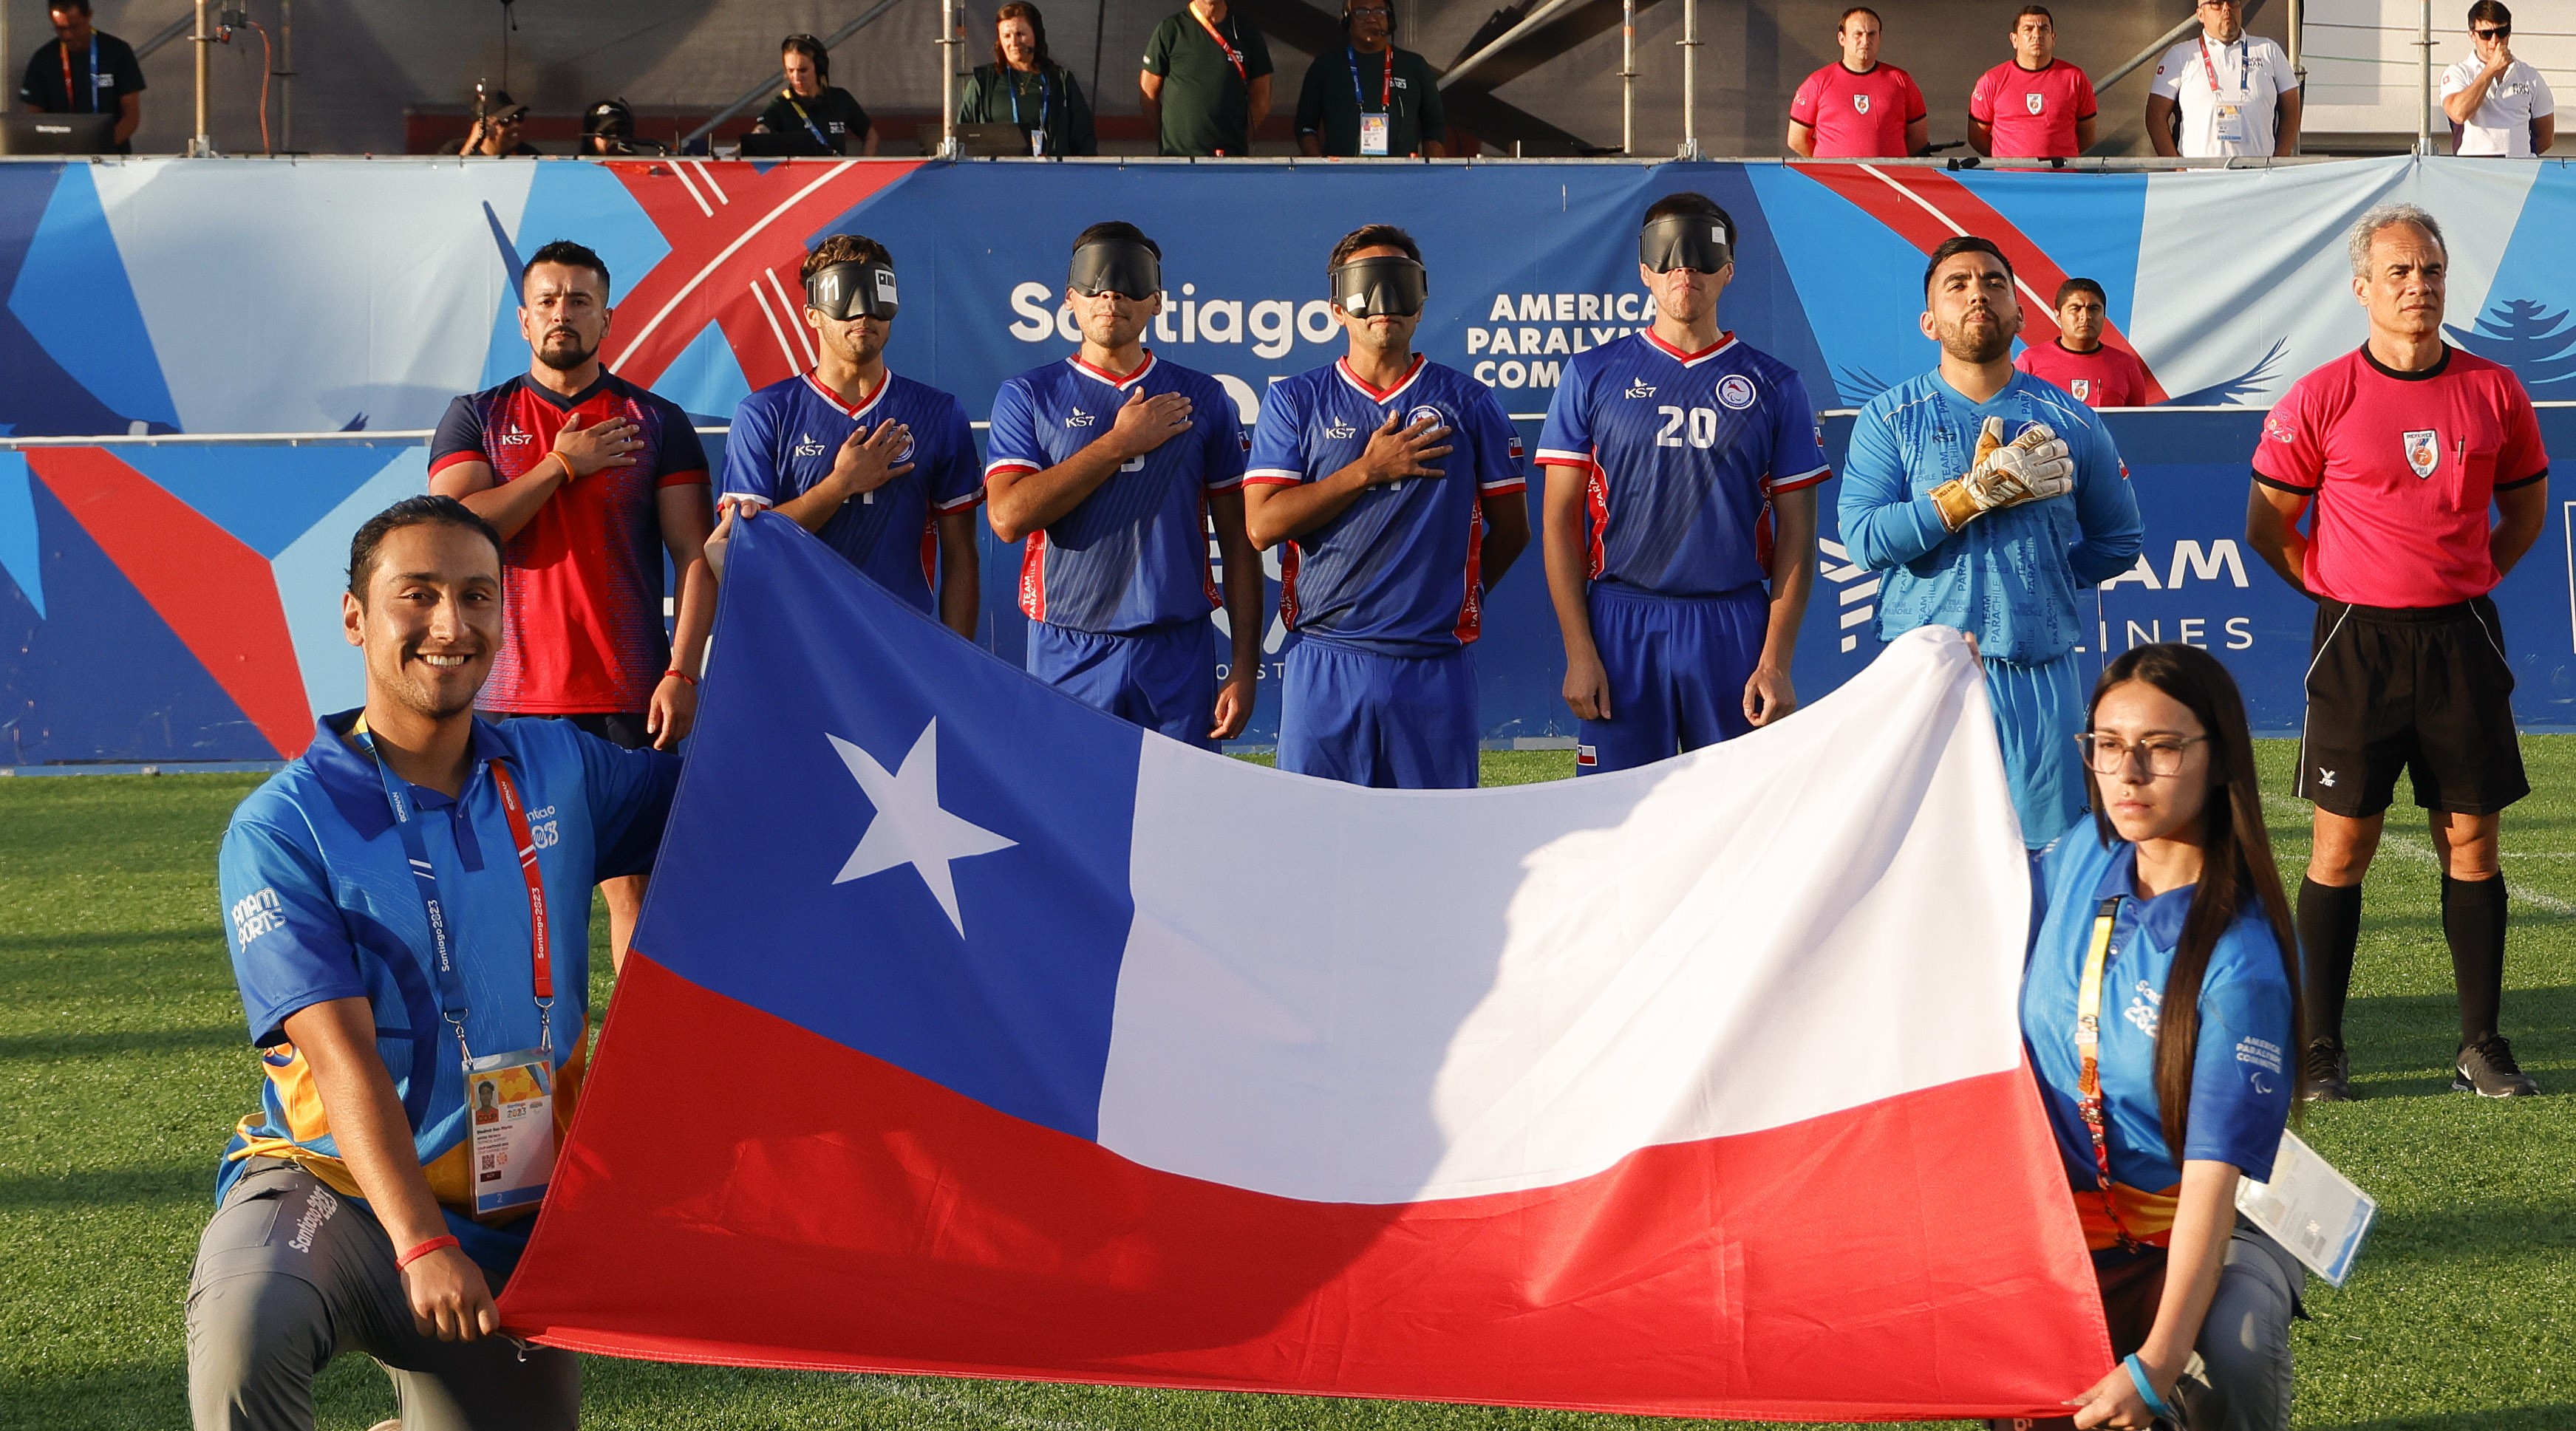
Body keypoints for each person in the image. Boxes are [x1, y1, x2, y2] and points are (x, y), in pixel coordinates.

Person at [190, 496, 682, 1430]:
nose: (450, 625)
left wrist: (767, 612)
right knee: (249, 1326)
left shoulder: (558, 767)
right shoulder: (282, 825)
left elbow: (731, 790)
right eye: (417, 595)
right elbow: (339, 1058)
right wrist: (418, 1243)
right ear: (355, 618)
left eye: (477, 596)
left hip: (511, 1225)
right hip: (338, 1193)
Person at [2245, 203, 2548, 1101]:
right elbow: (2268, 527)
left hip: (2461, 639)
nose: (2419, 286)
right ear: (2363, 289)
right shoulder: (2321, 394)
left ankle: (2481, 1046)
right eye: (2400, 273)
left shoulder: (2495, 389)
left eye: (2431, 271)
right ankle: (2320, 1050)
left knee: (2475, 842)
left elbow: (2524, 511)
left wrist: (2460, 577)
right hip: (2356, 644)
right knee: (2342, 848)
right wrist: (2342, 586)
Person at [2023, 643, 2306, 1431]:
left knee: (2237, 1344)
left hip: (2192, 1226)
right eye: (2108, 746)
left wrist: (2157, 1365)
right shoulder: (2080, 855)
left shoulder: (2241, 959)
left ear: (2219, 759)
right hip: (2060, 1228)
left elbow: (2213, 1186)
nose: (2128, 773)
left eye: (2162, 746)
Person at [426, 240, 714, 974]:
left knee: (638, 894)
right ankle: (531, 1075)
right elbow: (455, 531)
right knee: (515, 897)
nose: (563, 313)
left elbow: (696, 555)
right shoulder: (478, 417)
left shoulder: (657, 421)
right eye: (548, 300)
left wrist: (682, 671)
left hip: (629, 697)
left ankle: (637, 1078)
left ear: (607, 317)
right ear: (524, 320)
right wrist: (560, 465)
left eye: (579, 300)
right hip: (510, 702)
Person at [1839, 236, 2143, 847]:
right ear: (1930, 322)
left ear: (2021, 315)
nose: (1978, 292)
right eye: (1957, 284)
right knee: (1922, 863)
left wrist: (2044, 573)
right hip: (1923, 677)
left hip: (2035, 677)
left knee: (2041, 864)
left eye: (1994, 283)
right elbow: (1865, 539)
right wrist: (1967, 498)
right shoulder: (1891, 417)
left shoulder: (2074, 421)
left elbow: (2119, 541)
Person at [1536, 194, 1830, 774]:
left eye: (1701, 254)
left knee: (1737, 818)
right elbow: (1557, 522)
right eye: (1666, 255)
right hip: (1621, 622)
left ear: (1728, 269)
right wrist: (1579, 649)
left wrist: (1774, 660)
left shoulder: (1775, 386)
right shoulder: (1592, 374)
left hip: (1731, 624)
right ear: (1644, 271)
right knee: (1615, 819)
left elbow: (1797, 535)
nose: (1683, 269)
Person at [1241, 225, 1528, 788]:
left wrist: (1447, 599)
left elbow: (1512, 531)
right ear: (1335, 307)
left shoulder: (1469, 403)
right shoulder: (1295, 400)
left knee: (1431, 851)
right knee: (1316, 845)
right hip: (1325, 661)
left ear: (1421, 300)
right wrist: (1367, 471)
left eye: (1398, 285)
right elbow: (1261, 524)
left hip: (1433, 667)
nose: (1381, 304)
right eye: (1363, 287)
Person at [984, 222, 1264, 747]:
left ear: (1156, 301)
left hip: (1176, 650)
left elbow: (1240, 542)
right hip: (1069, 646)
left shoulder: (1203, 398)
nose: (1110, 293)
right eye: (1094, 282)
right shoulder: (1028, 396)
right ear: (1070, 298)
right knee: (1070, 814)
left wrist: (1245, 665)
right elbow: (1007, 517)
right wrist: (1119, 444)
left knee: (1179, 819)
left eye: (1131, 281)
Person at [718, 235, 982, 637]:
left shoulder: (939, 413)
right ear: (812, 315)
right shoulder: (764, 413)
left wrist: (960, 664)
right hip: (800, 645)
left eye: (876, 298)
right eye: (844, 300)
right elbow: (741, 546)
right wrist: (841, 484)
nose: (863, 314)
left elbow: (961, 555)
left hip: (903, 644)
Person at [2147, 0, 2301, 159]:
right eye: (2217, 4)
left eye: (2233, 2)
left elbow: (2291, 111)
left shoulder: (2269, 50)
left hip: (2257, 176)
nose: (2227, 9)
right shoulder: (2180, 55)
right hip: (2199, 177)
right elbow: (2155, 116)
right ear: (2201, 14)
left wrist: (2277, 163)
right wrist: (2177, 170)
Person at [1295, 0, 1447, 159]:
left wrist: (1429, 173)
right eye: (1362, 12)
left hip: (1403, 177)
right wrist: (1323, 171)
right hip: (1341, 177)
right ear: (1347, 20)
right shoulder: (1325, 66)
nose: (1371, 19)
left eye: (1379, 11)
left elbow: (1434, 127)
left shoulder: (1415, 65)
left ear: (1390, 20)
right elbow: (1305, 127)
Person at [1785, 7, 1928, 159]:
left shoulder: (1901, 81)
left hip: (1888, 181)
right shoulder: (1817, 82)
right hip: (1833, 181)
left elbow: (1918, 139)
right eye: (1858, 34)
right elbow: (1797, 139)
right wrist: (1826, 166)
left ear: (1880, 38)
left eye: (1872, 34)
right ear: (1842, 38)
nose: (1865, 41)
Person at [956, 3, 1098, 156]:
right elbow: (964, 136)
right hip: (996, 175)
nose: (1014, 43)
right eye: (1006, 36)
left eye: (1020, 34)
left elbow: (1084, 138)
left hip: (1050, 175)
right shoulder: (983, 81)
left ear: (1036, 35)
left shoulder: (1061, 80)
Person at [1141, 0, 1273, 157]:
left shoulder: (1247, 32)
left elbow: (1261, 98)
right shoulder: (1170, 29)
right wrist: (1170, 138)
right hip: (1178, 160)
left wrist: (1240, 139)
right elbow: (1147, 94)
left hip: (1231, 161)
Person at [1969, 5, 2098, 159]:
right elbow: (1976, 137)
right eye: (2028, 29)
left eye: (2044, 29)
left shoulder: (2075, 79)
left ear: (2053, 37)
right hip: (2010, 181)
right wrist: (2008, 162)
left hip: (2062, 180)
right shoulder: (1992, 81)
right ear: (2014, 39)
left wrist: (2059, 159)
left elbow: (2087, 137)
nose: (2037, 35)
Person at [16, 0, 140, 151]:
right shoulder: (43, 59)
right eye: (60, 28)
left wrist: (98, 146)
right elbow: (33, 119)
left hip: (110, 159)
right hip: (60, 158)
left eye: (74, 27)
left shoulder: (117, 52)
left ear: (89, 16)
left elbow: (131, 117)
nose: (68, 35)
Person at [2014, 279, 2150, 409]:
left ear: (2104, 316)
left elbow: (2136, 425)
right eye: (2076, 308)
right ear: (2058, 316)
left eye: (2094, 308)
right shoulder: (2029, 362)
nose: (2085, 316)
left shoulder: (2127, 366)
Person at [2442, 2, 2555, 157]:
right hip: (2473, 173)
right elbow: (2458, 113)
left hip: (2518, 174)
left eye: (2502, 32)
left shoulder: (2530, 76)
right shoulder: (2459, 73)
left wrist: (2523, 157)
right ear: (2472, 35)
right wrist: (2490, 71)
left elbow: (2546, 137)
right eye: (2486, 34)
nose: (2494, 41)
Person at [755, 33, 878, 156]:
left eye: (803, 70)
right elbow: (761, 130)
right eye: (790, 70)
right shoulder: (781, 104)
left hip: (835, 174)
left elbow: (870, 135)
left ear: (818, 68)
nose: (796, 77)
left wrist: (863, 170)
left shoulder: (840, 99)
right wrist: (757, 134)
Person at [438, 90, 543, 157]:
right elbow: (448, 182)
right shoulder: (453, 151)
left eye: (518, 117)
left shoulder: (528, 155)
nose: (516, 125)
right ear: (482, 127)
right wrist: (469, 148)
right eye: (506, 120)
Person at [580, 98, 667, 157]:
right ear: (591, 139)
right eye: (607, 132)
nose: (615, 137)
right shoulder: (580, 171)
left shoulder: (643, 170)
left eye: (622, 132)